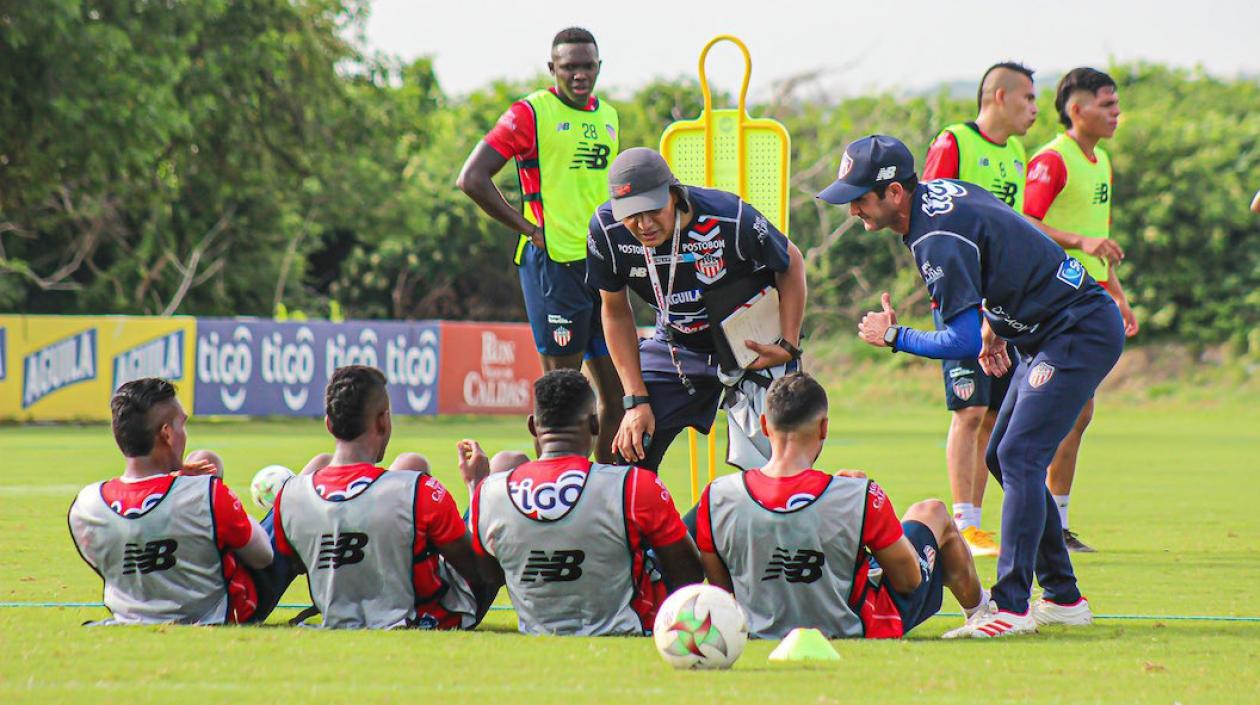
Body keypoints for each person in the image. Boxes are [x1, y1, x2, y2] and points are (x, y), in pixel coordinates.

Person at [822, 135, 1124, 636]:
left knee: (1022, 455)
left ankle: (1011, 607)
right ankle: (1064, 597)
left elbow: (959, 340)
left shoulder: (933, 237)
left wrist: (893, 335)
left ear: (896, 193)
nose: (852, 208)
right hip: (1047, 329)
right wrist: (996, 326)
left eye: (860, 197)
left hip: (1076, 329)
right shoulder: (943, 192)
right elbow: (1006, 246)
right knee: (1001, 456)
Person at [697, 373, 987, 640]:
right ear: (823, 427)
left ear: (763, 425)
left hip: (757, 629)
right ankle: (981, 612)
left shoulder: (716, 497)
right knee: (932, 511)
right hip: (855, 624)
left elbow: (724, 591)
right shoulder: (858, 495)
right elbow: (909, 580)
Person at [586, 147, 808, 474]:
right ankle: (657, 526)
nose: (644, 224)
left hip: (752, 346)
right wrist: (635, 400)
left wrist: (787, 345)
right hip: (677, 346)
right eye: (632, 214)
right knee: (629, 452)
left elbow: (791, 263)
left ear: (674, 195)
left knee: (779, 465)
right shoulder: (606, 231)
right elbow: (615, 311)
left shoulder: (729, 216)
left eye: (653, 209)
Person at [457, 26, 622, 463]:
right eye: (569, 67)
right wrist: (529, 228)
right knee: (560, 399)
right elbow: (471, 179)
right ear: (553, 69)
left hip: (600, 268)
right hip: (553, 267)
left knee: (618, 395)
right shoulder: (530, 113)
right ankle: (546, 492)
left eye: (588, 66)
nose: (580, 75)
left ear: (599, 67)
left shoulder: (609, 115)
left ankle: (600, 491)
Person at [463, 369, 703, 636]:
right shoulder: (633, 484)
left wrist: (475, 489)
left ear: (533, 426)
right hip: (628, 626)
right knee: (707, 511)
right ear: (596, 425)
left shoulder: (488, 493)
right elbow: (689, 574)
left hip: (537, 628)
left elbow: (489, 576)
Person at [920, 61, 1042, 556]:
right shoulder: (955, 142)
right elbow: (924, 212)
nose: (1034, 108)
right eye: (1028, 98)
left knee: (993, 413)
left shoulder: (1016, 152)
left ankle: (978, 523)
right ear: (998, 96)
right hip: (963, 296)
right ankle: (963, 524)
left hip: (1005, 301)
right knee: (968, 409)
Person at [273, 365, 497, 629]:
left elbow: (297, 563)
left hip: (336, 616)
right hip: (425, 620)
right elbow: (483, 572)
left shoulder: (289, 497)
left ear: (329, 424)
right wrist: (478, 486)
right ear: (383, 421)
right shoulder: (419, 490)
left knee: (410, 464)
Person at [68, 378, 295, 625]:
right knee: (296, 501)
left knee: (206, 461)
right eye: (181, 425)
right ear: (166, 433)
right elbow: (262, 556)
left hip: (129, 615)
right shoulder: (206, 493)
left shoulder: (86, 506)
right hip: (223, 612)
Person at [1025, 67, 1138, 551]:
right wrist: (1079, 241)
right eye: (1107, 105)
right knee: (1058, 412)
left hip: (1090, 299)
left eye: (1116, 105)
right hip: (1053, 302)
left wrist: (1116, 291)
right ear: (1077, 109)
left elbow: (1098, 240)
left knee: (1079, 412)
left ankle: (1056, 522)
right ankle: (1041, 521)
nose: (1116, 114)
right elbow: (1024, 223)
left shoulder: (1101, 162)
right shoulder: (1052, 160)